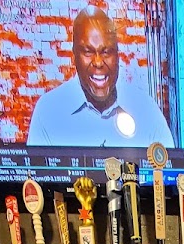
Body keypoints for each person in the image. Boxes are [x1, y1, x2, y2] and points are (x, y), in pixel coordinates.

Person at [27, 5, 174, 148]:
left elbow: (170, 163)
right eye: (88, 52)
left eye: (106, 52)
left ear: (117, 55)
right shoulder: (48, 111)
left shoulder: (146, 109)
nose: (98, 62)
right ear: (74, 55)